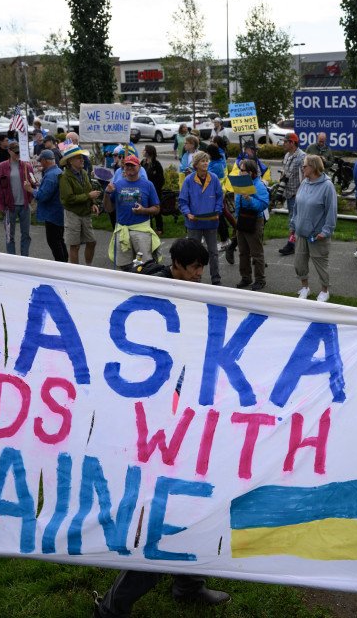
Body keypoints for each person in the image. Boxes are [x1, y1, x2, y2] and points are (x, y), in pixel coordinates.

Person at [93, 238, 230, 618]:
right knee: (157, 524)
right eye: (192, 268)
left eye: (202, 267)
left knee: (195, 507)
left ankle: (187, 584)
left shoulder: (191, 294)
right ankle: (112, 608)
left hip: (187, 418)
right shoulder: (151, 294)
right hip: (154, 427)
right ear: (175, 265)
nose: (199, 274)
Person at [291, 154, 337, 302]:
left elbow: (331, 210)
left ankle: (325, 290)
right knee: (299, 263)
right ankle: (305, 288)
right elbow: (297, 206)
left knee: (321, 265)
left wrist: (326, 231)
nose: (302, 168)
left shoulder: (327, 186)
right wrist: (293, 224)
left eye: (305, 165)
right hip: (301, 233)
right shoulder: (304, 183)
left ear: (314, 167)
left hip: (317, 235)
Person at [104, 155, 161, 269]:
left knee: (144, 266)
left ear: (139, 167)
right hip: (122, 230)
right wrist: (106, 193)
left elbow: (157, 208)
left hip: (141, 230)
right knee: (124, 266)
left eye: (132, 165)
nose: (129, 168)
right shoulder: (117, 185)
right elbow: (109, 209)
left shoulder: (148, 185)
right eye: (127, 165)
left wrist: (143, 210)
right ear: (123, 167)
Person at [178, 151, 224, 285]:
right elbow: (183, 200)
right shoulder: (189, 180)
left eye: (206, 160)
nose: (205, 163)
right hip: (194, 222)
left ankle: (216, 278)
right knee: (193, 253)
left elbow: (219, 197)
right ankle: (194, 278)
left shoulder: (214, 178)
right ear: (196, 164)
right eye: (202, 161)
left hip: (211, 221)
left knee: (213, 252)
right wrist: (187, 213)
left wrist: (217, 211)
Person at [58, 143, 101, 266]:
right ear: (70, 161)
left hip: (85, 213)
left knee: (92, 241)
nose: (82, 160)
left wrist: (92, 203)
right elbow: (68, 199)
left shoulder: (83, 173)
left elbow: (88, 190)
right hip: (72, 214)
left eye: (82, 157)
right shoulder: (64, 177)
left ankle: (88, 267)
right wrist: (89, 196)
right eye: (78, 158)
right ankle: (76, 272)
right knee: (75, 246)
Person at [233, 159, 269, 290]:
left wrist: (250, 199)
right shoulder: (241, 182)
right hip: (241, 218)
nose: (239, 172)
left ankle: (260, 279)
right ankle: (246, 277)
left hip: (254, 220)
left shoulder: (258, 185)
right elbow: (237, 200)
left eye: (242, 170)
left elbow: (263, 204)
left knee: (256, 252)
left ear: (250, 172)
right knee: (243, 252)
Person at [0, 141, 35, 257]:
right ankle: (12, 258)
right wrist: (1, 205)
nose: (18, 154)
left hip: (24, 205)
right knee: (9, 235)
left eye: (19, 152)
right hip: (10, 205)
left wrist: (31, 195)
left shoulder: (26, 166)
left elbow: (34, 184)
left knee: (26, 234)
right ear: (9, 151)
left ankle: (24, 257)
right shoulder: (2, 167)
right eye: (16, 152)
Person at [26, 150, 67, 262]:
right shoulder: (58, 171)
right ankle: (65, 262)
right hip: (59, 212)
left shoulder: (50, 176)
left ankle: (61, 264)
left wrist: (30, 190)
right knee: (59, 240)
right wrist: (40, 185)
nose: (40, 163)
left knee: (54, 241)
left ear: (45, 161)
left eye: (41, 161)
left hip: (51, 214)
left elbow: (43, 196)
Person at [278, 133, 306, 255]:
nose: (283, 144)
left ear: (292, 143)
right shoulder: (287, 156)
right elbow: (284, 173)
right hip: (288, 193)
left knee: (294, 220)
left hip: (298, 194)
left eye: (285, 141)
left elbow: (305, 176)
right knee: (292, 219)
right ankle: (296, 242)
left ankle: (292, 244)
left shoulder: (302, 157)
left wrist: (304, 193)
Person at [142, 144, 166, 233]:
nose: (143, 151)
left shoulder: (156, 164)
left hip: (155, 190)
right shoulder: (142, 163)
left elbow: (161, 179)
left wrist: (155, 188)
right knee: (146, 208)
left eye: (144, 150)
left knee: (156, 209)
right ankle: (149, 227)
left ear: (149, 152)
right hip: (144, 190)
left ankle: (159, 228)